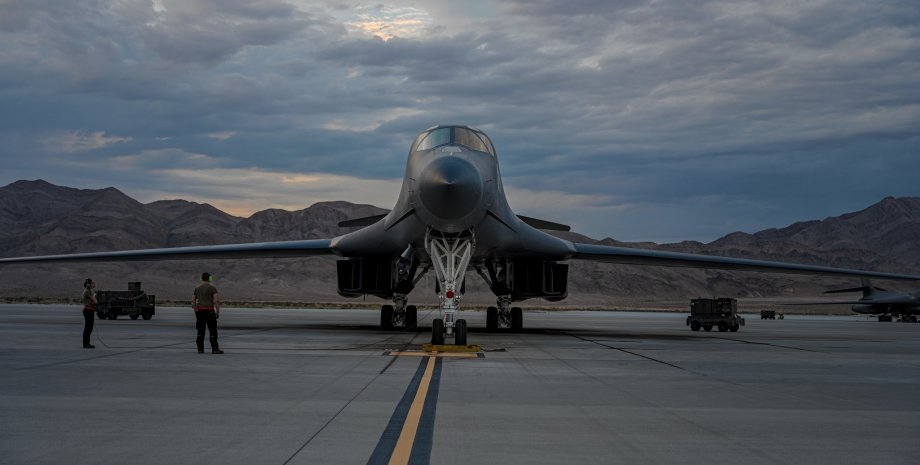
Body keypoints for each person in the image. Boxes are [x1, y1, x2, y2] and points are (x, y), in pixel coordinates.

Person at [192, 272, 223, 354]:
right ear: (209, 278)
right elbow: (216, 301)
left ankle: (200, 349)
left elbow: (193, 301)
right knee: (213, 330)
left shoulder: (197, 288)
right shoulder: (212, 288)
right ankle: (215, 349)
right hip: (209, 311)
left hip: (200, 311)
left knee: (200, 330)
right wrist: (217, 312)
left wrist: (196, 310)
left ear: (201, 278)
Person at [82, 278, 97, 349]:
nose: (94, 284)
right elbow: (95, 301)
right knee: (88, 328)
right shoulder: (88, 291)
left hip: (89, 310)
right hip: (89, 311)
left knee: (88, 328)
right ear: (89, 284)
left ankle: (87, 343)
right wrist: (95, 296)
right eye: (92, 283)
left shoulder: (88, 290)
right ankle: (86, 344)